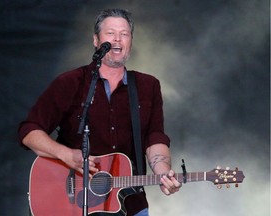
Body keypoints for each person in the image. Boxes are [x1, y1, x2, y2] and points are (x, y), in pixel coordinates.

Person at [18, 8, 181, 216]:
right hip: (72, 206)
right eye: (110, 33)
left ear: (130, 41)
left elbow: (154, 137)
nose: (117, 40)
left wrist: (163, 172)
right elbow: (29, 131)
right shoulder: (70, 82)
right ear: (96, 40)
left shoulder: (147, 85)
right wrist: (66, 154)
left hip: (131, 203)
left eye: (124, 34)